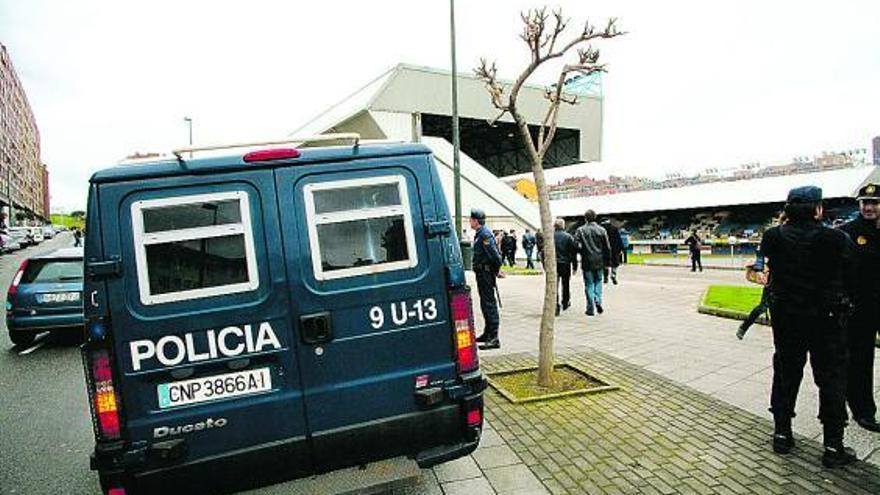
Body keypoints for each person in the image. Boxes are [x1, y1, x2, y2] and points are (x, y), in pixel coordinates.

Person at [760, 186, 857, 468]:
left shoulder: (772, 236)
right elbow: (851, 278)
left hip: (787, 319)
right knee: (831, 379)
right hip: (826, 320)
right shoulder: (836, 238)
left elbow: (770, 273)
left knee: (786, 374)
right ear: (818, 209)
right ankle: (833, 446)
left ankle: (781, 434)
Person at [838, 183, 880, 432]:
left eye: (874, 203)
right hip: (860, 308)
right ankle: (863, 411)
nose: (869, 207)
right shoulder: (846, 232)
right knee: (860, 361)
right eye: (865, 203)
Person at [470, 209, 503, 350]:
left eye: (471, 219)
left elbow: (495, 256)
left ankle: (494, 337)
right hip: (482, 273)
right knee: (485, 303)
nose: (470, 221)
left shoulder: (484, 234)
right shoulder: (480, 233)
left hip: (485, 273)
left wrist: (496, 271)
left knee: (489, 304)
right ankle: (488, 333)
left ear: (476, 220)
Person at [574, 210, 610, 316]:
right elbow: (607, 247)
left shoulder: (580, 230)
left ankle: (590, 308)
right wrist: (608, 262)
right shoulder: (602, 230)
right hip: (599, 260)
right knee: (598, 281)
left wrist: (582, 251)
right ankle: (598, 300)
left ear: (585, 218)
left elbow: (576, 244)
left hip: (587, 260)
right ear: (595, 217)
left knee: (589, 284)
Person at [553, 218, 578, 316]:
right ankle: (565, 301)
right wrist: (575, 265)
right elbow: (573, 252)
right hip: (565, 264)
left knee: (554, 285)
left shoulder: (550, 237)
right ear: (563, 226)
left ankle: (555, 305)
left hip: (554, 264)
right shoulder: (568, 237)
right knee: (565, 284)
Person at [602, 219, 624, 284]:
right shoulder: (614, 229)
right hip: (614, 249)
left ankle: (605, 277)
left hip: (605, 249)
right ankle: (613, 275)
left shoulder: (602, 230)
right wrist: (621, 249)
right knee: (614, 264)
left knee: (605, 264)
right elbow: (618, 239)